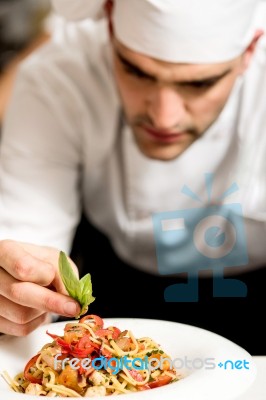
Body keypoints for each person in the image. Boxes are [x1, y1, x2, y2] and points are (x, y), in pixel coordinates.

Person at [0, 0, 266, 354]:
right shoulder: (58, 79)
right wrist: (19, 288)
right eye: (138, 72)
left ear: (249, 51)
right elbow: (25, 241)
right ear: (109, 28)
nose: (164, 117)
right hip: (114, 296)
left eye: (199, 84)